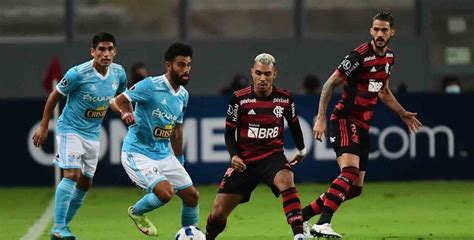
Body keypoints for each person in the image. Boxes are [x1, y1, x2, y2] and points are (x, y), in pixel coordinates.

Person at [301, 12, 422, 238]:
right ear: (370, 31)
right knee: (349, 171)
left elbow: (383, 91)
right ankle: (323, 223)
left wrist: (402, 112)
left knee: (355, 188)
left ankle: (301, 216)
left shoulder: (389, 58)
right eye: (376, 29)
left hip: (363, 126)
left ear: (391, 32)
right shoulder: (358, 56)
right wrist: (320, 117)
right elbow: (329, 84)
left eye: (384, 30)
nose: (379, 34)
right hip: (345, 120)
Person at [32, 32, 127, 239]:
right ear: (93, 51)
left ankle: (62, 227)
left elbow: (120, 99)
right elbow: (54, 95)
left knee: (86, 182)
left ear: (115, 51)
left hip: (93, 134)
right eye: (101, 49)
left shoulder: (119, 73)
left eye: (110, 49)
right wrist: (43, 126)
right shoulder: (77, 74)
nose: (106, 53)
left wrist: (124, 112)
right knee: (72, 175)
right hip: (70, 130)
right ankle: (58, 226)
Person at [205, 53, 308, 240]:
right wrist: (234, 155)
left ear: (274, 74)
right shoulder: (239, 99)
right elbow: (229, 132)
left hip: (272, 156)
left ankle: (299, 235)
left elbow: (294, 124)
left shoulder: (285, 99)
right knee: (218, 213)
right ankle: (207, 238)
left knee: (286, 178)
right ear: (252, 72)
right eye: (259, 73)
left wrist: (301, 150)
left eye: (267, 74)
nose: (262, 78)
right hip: (245, 161)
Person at [109, 43, 199, 236]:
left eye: (188, 65)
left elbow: (177, 130)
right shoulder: (150, 85)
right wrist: (125, 113)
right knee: (165, 193)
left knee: (192, 196)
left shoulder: (183, 95)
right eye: (181, 65)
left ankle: (189, 234)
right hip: (138, 152)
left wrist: (179, 160)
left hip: (164, 153)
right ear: (169, 65)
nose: (186, 70)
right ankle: (136, 211)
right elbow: (118, 100)